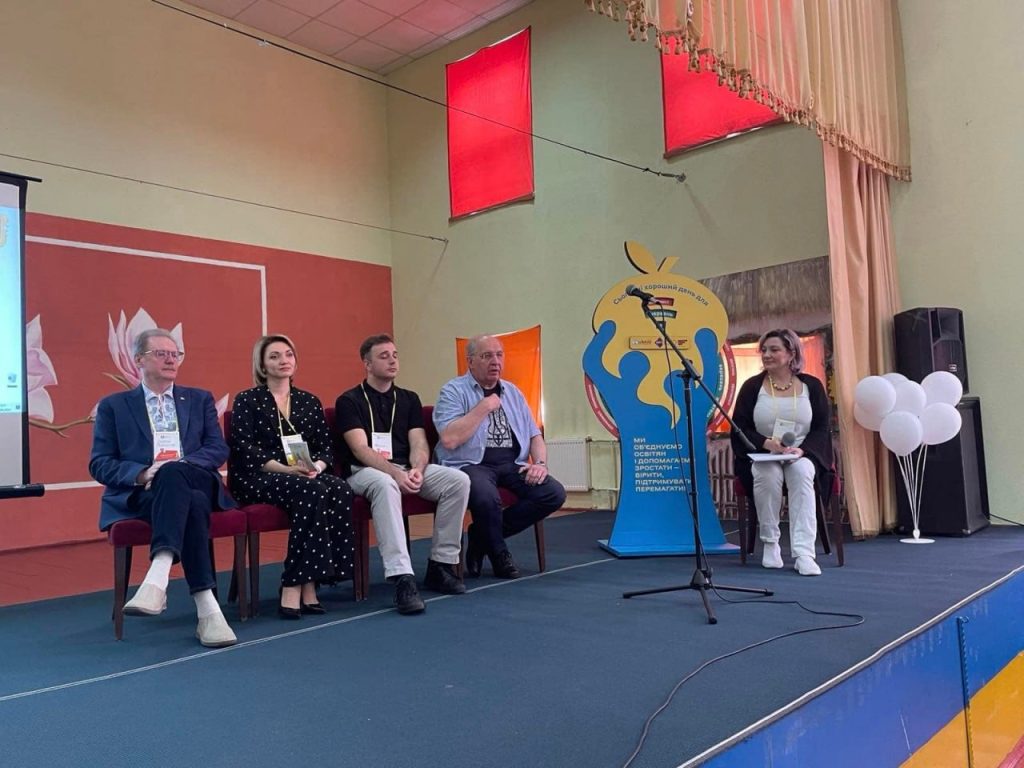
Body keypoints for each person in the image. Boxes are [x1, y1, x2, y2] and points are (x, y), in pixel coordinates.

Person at [89, 328, 238, 647]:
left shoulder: (198, 399)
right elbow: (99, 463)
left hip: (195, 476)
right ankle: (208, 610)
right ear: (138, 359)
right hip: (145, 491)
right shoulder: (114, 406)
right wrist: (143, 474)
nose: (171, 360)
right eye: (161, 354)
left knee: (176, 475)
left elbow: (217, 448)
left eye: (175, 354)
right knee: (193, 503)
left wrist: (179, 467)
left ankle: (158, 575)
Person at [335, 334, 470, 615]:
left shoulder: (408, 398)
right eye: (384, 356)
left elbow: (419, 443)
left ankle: (441, 564)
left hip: (406, 469)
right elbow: (360, 449)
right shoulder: (349, 400)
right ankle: (402, 577)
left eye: (395, 355)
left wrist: (418, 470)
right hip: (365, 472)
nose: (392, 360)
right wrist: (395, 474)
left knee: (458, 481)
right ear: (367, 364)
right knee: (386, 484)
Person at [227, 334, 354, 619]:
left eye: (288, 355)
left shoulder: (309, 401)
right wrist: (288, 470)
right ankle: (294, 584)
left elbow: (325, 448)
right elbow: (245, 450)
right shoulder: (247, 400)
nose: (283, 361)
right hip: (260, 476)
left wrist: (316, 467)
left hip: (304, 473)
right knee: (312, 491)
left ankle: (311, 581)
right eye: (274, 356)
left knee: (339, 488)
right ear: (262, 365)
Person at [434, 334, 566, 579]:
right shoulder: (453, 390)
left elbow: (534, 435)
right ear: (470, 361)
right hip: (471, 464)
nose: (495, 361)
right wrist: (484, 406)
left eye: (499, 355)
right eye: (486, 356)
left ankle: (480, 536)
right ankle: (499, 553)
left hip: (511, 464)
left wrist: (539, 464)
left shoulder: (513, 392)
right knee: (487, 497)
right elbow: (450, 439)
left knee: (553, 493)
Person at [731, 328, 834, 576]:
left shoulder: (812, 386)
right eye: (764, 350)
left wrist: (803, 450)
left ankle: (804, 553)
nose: (767, 354)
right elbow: (739, 428)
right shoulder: (752, 387)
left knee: (802, 472)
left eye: (774, 349)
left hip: (802, 453)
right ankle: (770, 543)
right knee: (767, 473)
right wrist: (766, 444)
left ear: (791, 353)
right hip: (762, 453)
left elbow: (822, 428)